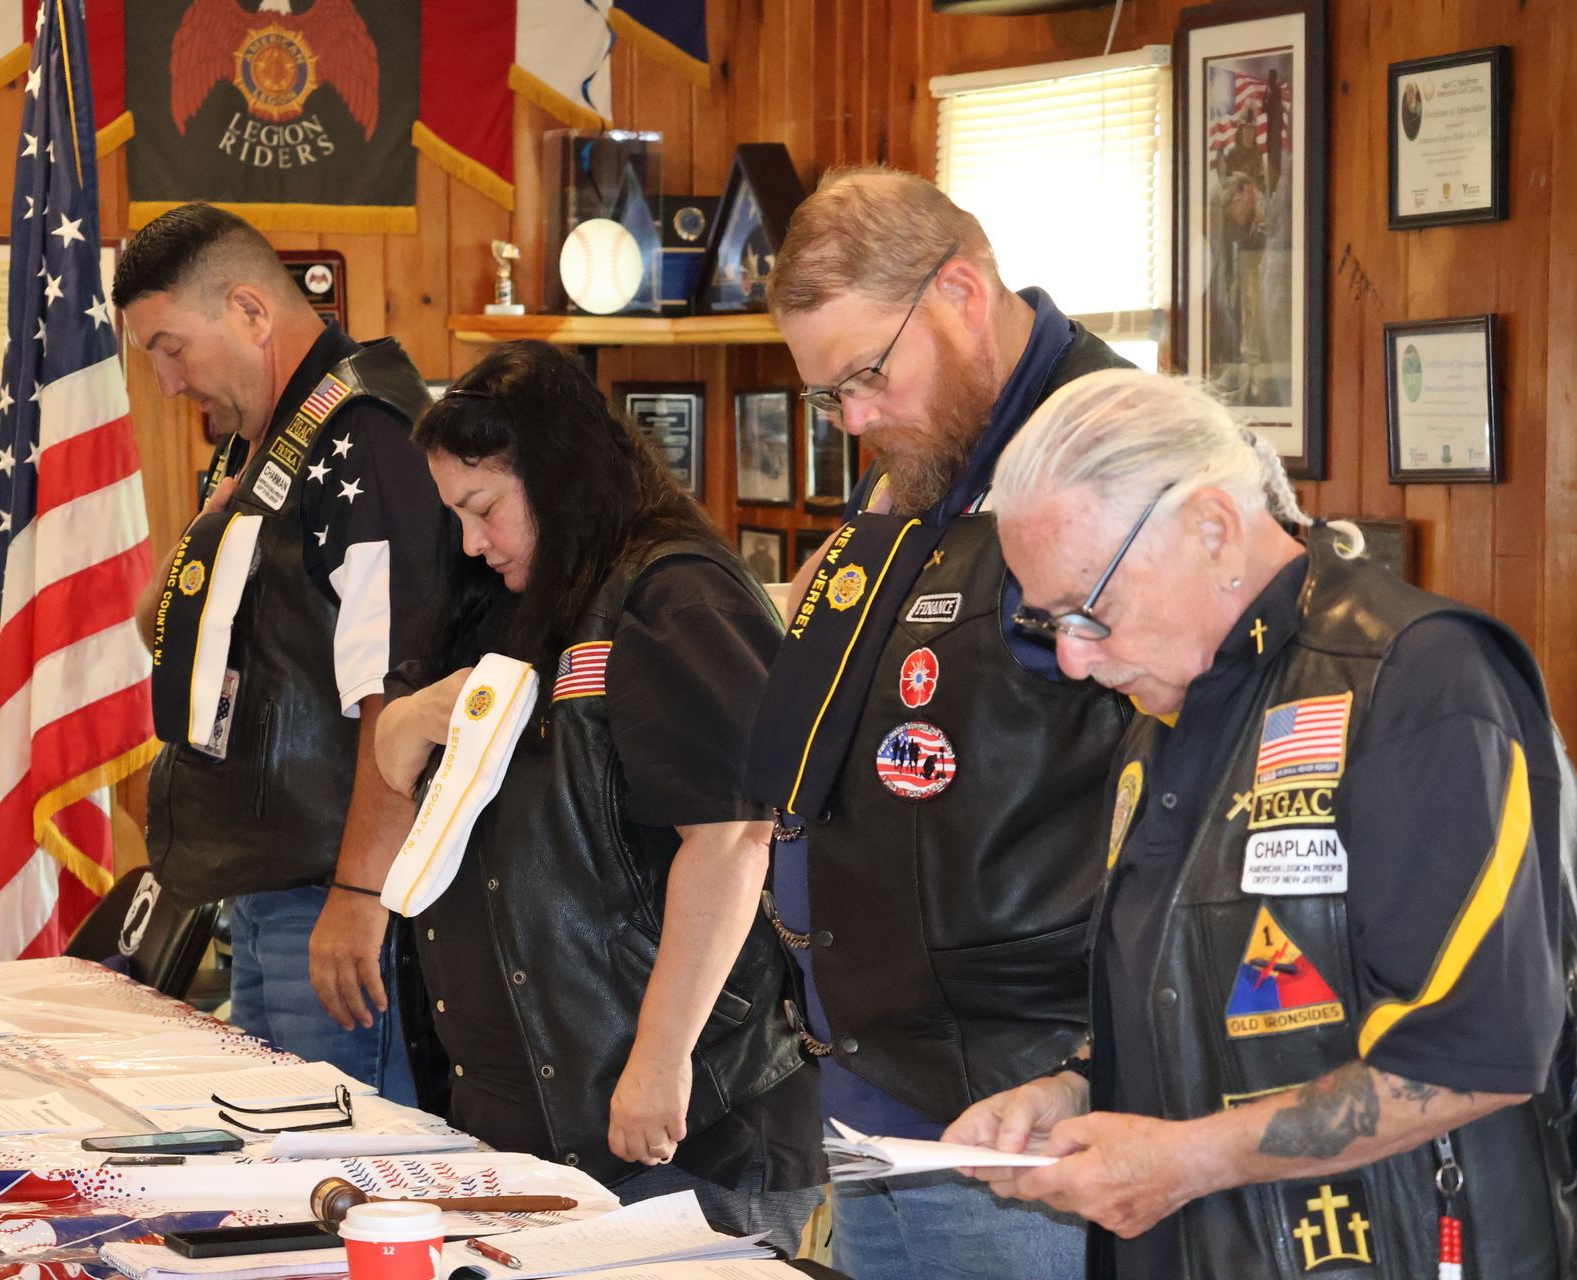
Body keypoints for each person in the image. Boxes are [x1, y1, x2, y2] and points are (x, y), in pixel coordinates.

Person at [947, 369, 1577, 1279]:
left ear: (1212, 528)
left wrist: (1184, 1162)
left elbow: (1470, 1058)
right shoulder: (1165, 707)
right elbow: (1187, 994)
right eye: (1046, 620)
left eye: (1089, 610)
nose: (1070, 655)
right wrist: (1073, 1089)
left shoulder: (1417, 683)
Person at [738, 167, 1132, 1279]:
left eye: (867, 374)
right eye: (830, 396)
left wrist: (1095, 1068)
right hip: (871, 1093)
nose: (856, 418)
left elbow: (1194, 794)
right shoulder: (929, 461)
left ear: (961, 289)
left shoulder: (1102, 458)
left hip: (1017, 1112)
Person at [371, 340, 823, 1251]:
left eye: (484, 508)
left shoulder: (674, 595)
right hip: (527, 1111)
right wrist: (424, 709)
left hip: (671, 1121)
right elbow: (392, 758)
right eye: (455, 514)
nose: (470, 540)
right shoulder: (517, 593)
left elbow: (733, 838)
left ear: (553, 474)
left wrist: (660, 1058)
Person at [115, 203, 443, 1107]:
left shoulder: (362, 432)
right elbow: (172, 631)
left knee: (340, 1177)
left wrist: (359, 889)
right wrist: (206, 535)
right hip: (265, 888)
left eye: (172, 347)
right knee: (273, 1176)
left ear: (252, 313)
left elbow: (396, 688)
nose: (169, 382)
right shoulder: (267, 442)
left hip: (330, 889)